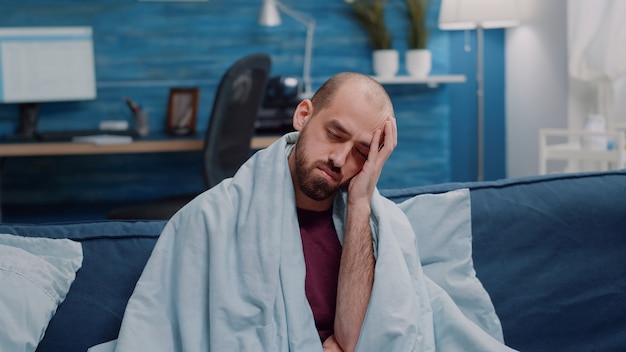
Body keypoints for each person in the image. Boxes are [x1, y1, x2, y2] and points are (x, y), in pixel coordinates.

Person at [107, 72, 515, 352]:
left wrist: (358, 203)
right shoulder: (211, 219)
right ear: (304, 116)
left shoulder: (376, 226)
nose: (339, 159)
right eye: (334, 135)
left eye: (360, 152)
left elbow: (358, 340)